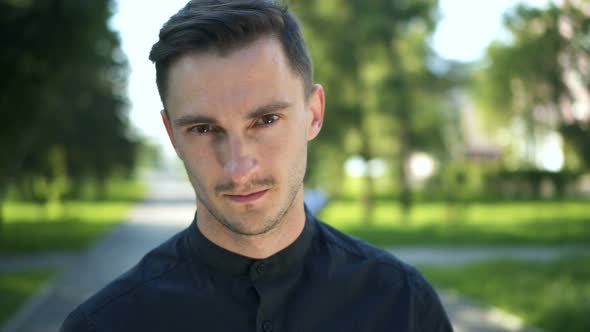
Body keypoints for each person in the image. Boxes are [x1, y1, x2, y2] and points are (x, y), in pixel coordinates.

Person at [61, 0, 453, 331]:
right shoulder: (104, 324)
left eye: (265, 121)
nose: (239, 167)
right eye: (203, 128)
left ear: (313, 113)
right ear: (172, 134)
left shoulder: (403, 306)